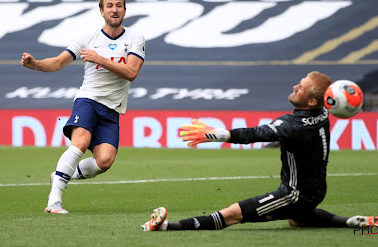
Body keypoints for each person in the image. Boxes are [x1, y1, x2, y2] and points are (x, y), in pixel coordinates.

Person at [141, 71, 377, 231]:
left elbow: (255, 133)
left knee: (231, 214)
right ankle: (352, 222)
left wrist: (213, 134)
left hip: (294, 193)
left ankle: (166, 227)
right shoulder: (323, 114)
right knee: (297, 220)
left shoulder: (293, 126)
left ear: (313, 102)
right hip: (315, 190)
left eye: (302, 87)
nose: (295, 86)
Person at [21, 0, 145, 214]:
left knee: (104, 161)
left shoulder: (135, 38)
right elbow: (58, 62)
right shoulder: (88, 38)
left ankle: (60, 174)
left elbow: (131, 72)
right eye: (109, 6)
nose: (114, 9)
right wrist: (36, 64)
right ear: (102, 11)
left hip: (112, 109)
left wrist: (99, 59)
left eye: (119, 5)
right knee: (79, 143)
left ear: (125, 11)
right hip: (87, 99)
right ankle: (54, 201)